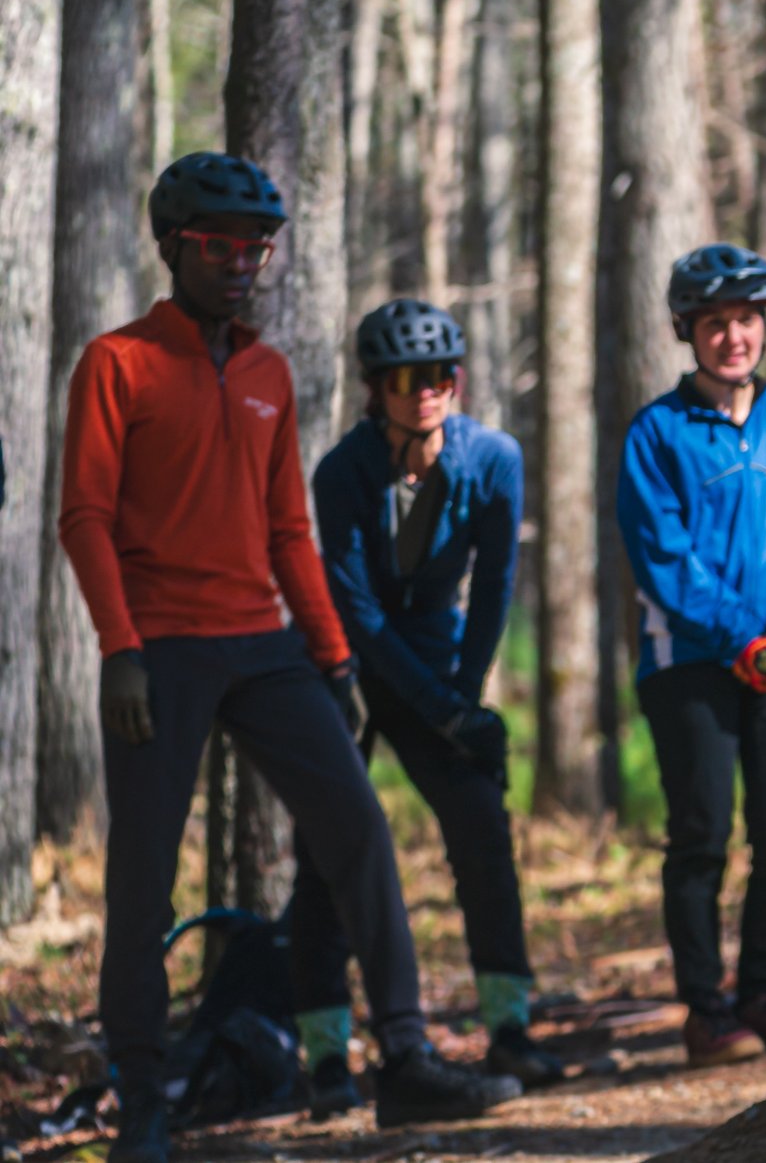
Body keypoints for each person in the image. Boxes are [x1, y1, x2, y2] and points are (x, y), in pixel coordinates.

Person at [57, 154, 520, 1163]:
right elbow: (84, 515)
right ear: (173, 245)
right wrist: (118, 647)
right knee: (141, 880)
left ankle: (405, 1059)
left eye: (256, 248)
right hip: (158, 647)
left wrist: (333, 655)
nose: (240, 263)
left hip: (265, 646)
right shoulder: (117, 362)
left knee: (357, 829)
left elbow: (287, 532)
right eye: (219, 245)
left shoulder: (267, 371)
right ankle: (142, 1101)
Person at [290, 299, 562, 1113]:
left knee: (481, 822)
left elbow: (494, 588)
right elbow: (358, 610)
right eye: (406, 379)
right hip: (346, 660)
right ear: (376, 389)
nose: (425, 391)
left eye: (439, 374)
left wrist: (463, 700)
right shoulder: (342, 470)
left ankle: (509, 1024)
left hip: (437, 657)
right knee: (327, 850)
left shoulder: (494, 458)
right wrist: (439, 706)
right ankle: (326, 1056)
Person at [618, 245, 766, 1068]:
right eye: (715, 322)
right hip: (690, 662)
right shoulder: (657, 432)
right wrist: (739, 637)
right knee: (702, 832)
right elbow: (663, 555)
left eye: (746, 319)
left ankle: (761, 993)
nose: (733, 336)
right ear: (687, 330)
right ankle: (706, 1011)